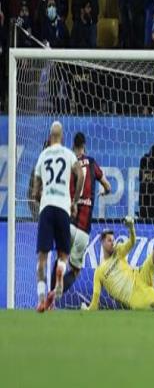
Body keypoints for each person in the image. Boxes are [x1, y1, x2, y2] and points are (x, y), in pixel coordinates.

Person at [43, 132, 111, 310]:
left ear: (73, 146)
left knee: (61, 258)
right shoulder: (92, 163)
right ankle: (54, 295)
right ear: (85, 146)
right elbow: (108, 186)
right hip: (84, 229)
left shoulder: (69, 163)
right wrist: (104, 192)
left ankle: (50, 298)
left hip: (69, 222)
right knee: (75, 270)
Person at [31, 121, 84, 312]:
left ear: (49, 137)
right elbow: (80, 176)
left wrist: (41, 198)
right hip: (63, 208)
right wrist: (74, 201)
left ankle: (41, 299)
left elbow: (35, 192)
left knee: (42, 258)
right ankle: (61, 268)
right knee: (64, 254)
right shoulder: (68, 154)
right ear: (61, 137)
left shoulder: (42, 156)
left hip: (46, 208)